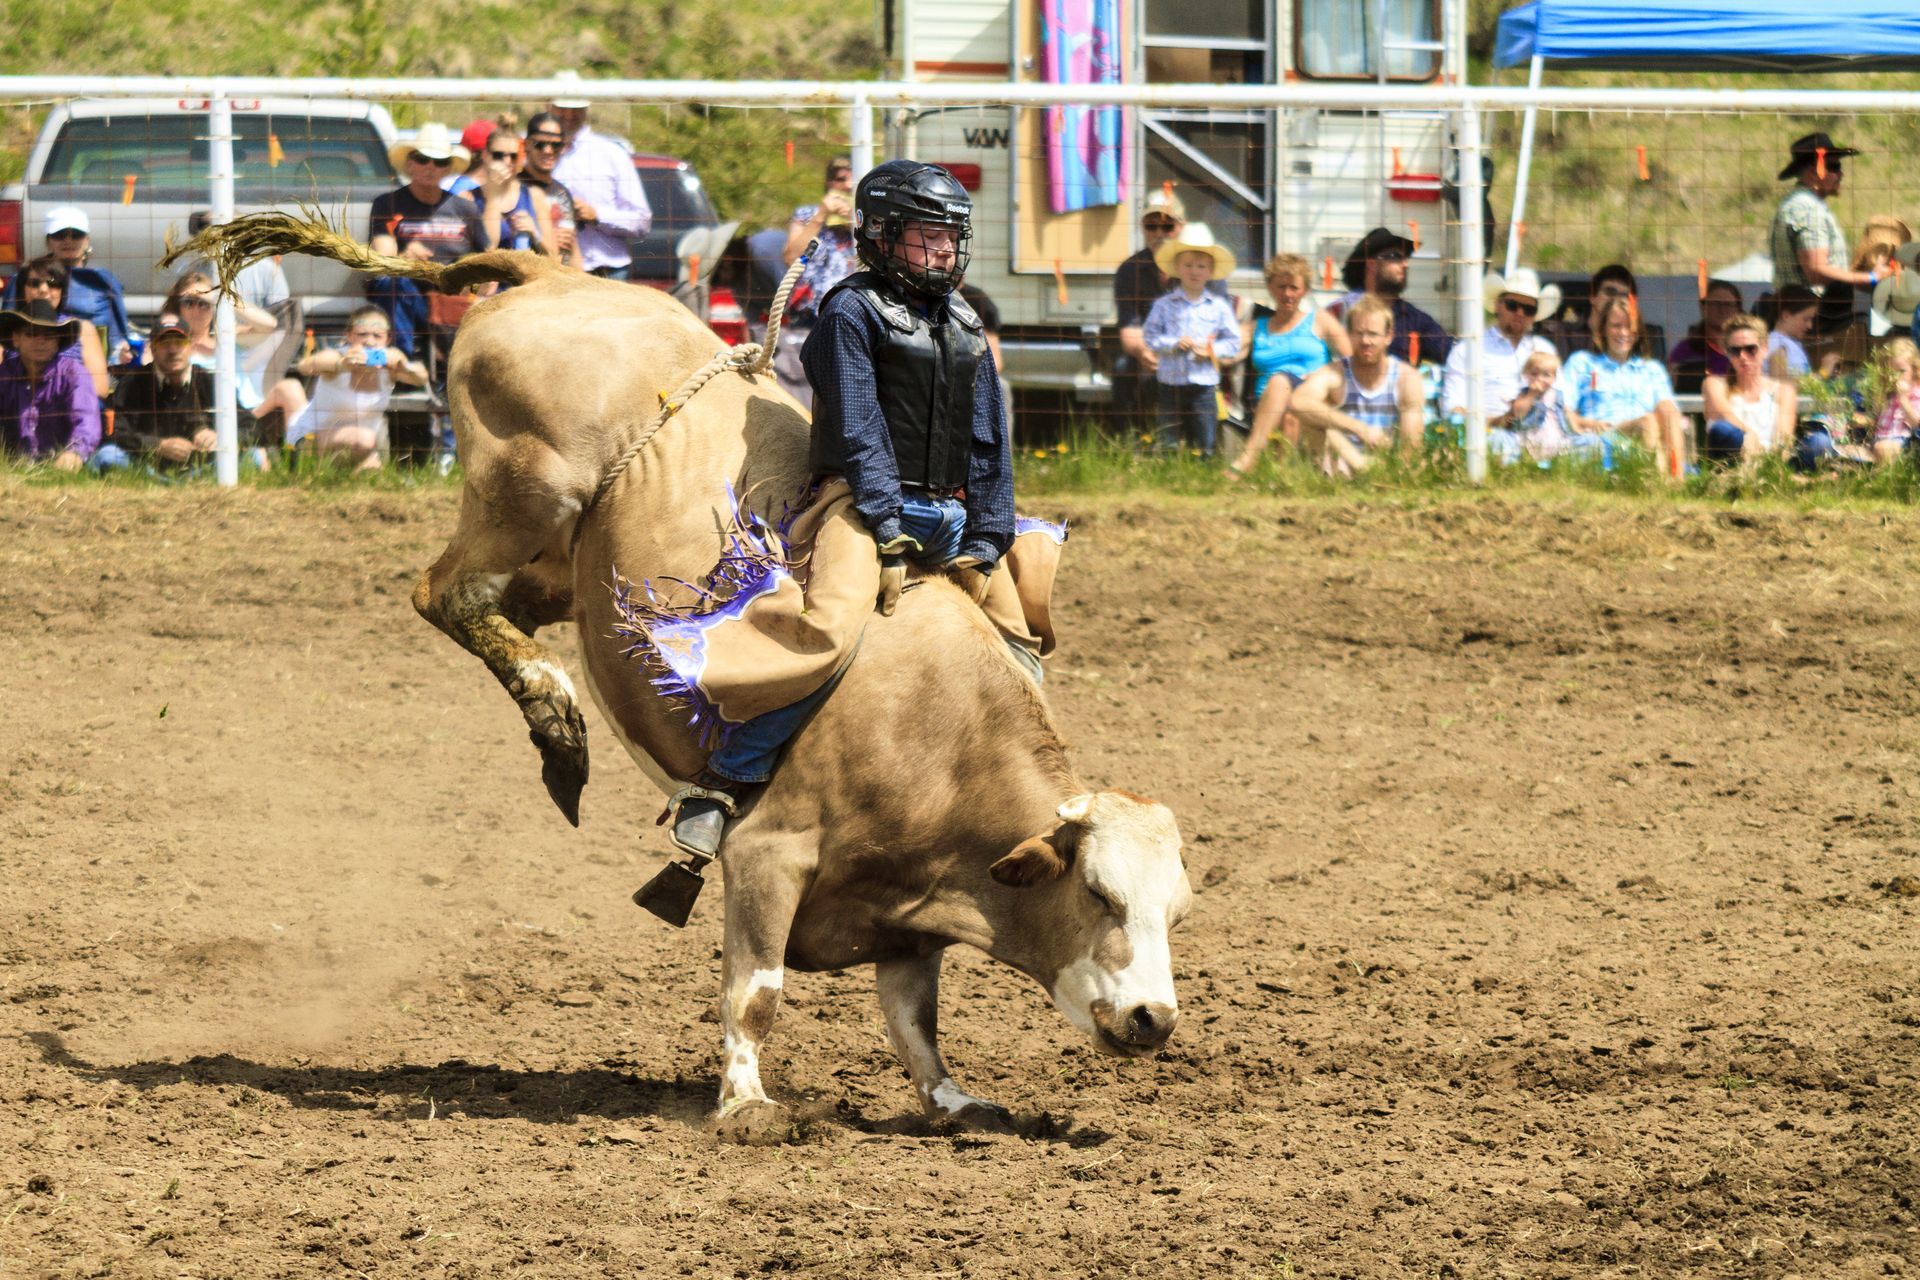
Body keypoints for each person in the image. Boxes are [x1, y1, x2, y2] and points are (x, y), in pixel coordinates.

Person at [665, 160, 1012, 860]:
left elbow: (989, 434)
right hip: (862, 506)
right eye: (928, 235)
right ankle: (723, 782)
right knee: (830, 634)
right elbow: (858, 428)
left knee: (1020, 637)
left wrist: (992, 533)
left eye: (952, 236)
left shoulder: (967, 321)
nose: (945, 250)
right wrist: (885, 527)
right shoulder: (849, 311)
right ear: (881, 236)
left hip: (953, 517)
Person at [366, 123, 488, 360]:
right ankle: (399, 360)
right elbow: (383, 259)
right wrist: (406, 259)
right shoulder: (387, 204)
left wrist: (474, 291)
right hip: (409, 297)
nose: (430, 167)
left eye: (439, 162)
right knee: (391, 282)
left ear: (448, 169)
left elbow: (487, 260)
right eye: (423, 159)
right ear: (409, 164)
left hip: (453, 302)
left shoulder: (466, 209)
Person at [1226, 252, 1351, 475]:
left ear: (1305, 290)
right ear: (1270, 288)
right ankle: (1286, 475)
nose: (1287, 294)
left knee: (1291, 404)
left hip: (1312, 398)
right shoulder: (1257, 327)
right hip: (1267, 405)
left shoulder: (1320, 321)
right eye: (1281, 286)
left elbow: (1350, 358)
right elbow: (1226, 352)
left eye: (1294, 287)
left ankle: (1256, 464)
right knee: (1282, 388)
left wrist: (1321, 375)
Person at [163, 270, 308, 457]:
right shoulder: (167, 344)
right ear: (178, 306)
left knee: (291, 388)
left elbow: (269, 326)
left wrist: (224, 297)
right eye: (189, 302)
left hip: (247, 413)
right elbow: (150, 372)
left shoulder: (228, 335)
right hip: (198, 418)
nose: (196, 310)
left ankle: (304, 462)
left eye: (204, 304)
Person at [1112, 189, 1219, 435]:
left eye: (1167, 225)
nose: (1159, 233)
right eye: (1151, 225)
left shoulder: (1205, 265)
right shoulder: (1129, 270)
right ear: (1142, 227)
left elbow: (1220, 323)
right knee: (1122, 368)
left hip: (1198, 350)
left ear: (1181, 227)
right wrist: (1145, 352)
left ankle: (1202, 448)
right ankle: (1129, 443)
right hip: (1155, 349)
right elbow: (1129, 330)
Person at [1290, 296, 1425, 475]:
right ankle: (1359, 469)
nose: (1365, 341)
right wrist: (1360, 429)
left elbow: (1412, 447)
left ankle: (1365, 471)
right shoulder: (1336, 373)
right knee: (1314, 420)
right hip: (1340, 460)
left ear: (1388, 336)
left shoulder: (1406, 378)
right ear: (1349, 334)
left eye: (1373, 334)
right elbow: (1297, 402)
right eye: (1358, 333)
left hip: (1385, 464)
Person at [285, 305, 430, 470]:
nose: (370, 341)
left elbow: (421, 378)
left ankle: (350, 471)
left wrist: (404, 367)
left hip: (362, 446)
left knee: (372, 471)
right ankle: (309, 467)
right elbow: (305, 365)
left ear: (388, 339)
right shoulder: (339, 356)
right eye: (362, 335)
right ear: (349, 336)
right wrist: (342, 365)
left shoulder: (388, 363)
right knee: (364, 439)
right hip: (312, 440)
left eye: (377, 336)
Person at [1561, 294, 1689, 476]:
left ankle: (1675, 480)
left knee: (1666, 410)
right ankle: (1659, 484)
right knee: (1647, 422)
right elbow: (1564, 409)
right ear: (1604, 329)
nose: (1623, 332)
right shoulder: (1583, 363)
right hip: (1603, 436)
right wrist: (1587, 423)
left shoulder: (1652, 369)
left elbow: (1669, 413)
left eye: (1629, 326)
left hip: (1648, 432)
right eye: (1616, 326)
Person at [1141, 224, 1240, 456]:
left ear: (1210, 270)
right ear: (1177, 268)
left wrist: (1211, 350)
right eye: (1187, 265)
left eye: (1201, 266)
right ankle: (1169, 473)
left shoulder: (1219, 308)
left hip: (1203, 385)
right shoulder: (1164, 305)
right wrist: (1172, 343)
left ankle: (1203, 474)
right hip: (1169, 383)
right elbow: (1150, 336)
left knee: (1205, 438)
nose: (1194, 271)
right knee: (1169, 437)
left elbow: (1233, 342)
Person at [1769, 131, 1876, 344]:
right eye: (1834, 167)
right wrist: (1870, 278)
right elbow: (1816, 271)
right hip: (1815, 320)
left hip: (1804, 314)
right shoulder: (1808, 209)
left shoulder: (1797, 203)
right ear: (1814, 169)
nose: (1841, 174)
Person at [774, 156, 860, 409]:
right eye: (840, 179)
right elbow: (791, 255)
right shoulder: (807, 215)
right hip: (808, 318)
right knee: (803, 387)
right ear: (829, 183)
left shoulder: (867, 218)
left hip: (850, 317)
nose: (846, 185)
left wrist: (855, 223)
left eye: (852, 180)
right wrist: (822, 215)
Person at [548, 73, 652, 280]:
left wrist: (596, 215)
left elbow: (641, 220)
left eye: (575, 109)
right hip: (553, 270)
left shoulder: (612, 154)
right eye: (562, 108)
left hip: (608, 272)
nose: (568, 114)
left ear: (586, 110)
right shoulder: (533, 155)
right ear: (548, 107)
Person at [1, 207, 131, 364]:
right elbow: (5, 330)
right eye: (60, 235)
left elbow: (119, 335)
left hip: (89, 364)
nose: (68, 241)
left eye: (76, 235)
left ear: (87, 239)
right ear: (48, 241)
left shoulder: (102, 280)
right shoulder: (26, 278)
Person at [1440, 266, 1559, 424]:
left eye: (1529, 309)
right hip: (1490, 436)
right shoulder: (1469, 349)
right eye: (1512, 305)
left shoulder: (1546, 349)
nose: (1520, 313)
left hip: (1541, 435)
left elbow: (1561, 403)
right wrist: (1497, 422)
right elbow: (1453, 410)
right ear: (1497, 305)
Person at [0, 298, 103, 470]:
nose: (40, 341)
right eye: (31, 333)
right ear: (16, 338)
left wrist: (75, 453)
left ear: (57, 343)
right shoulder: (3, 376)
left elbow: (86, 422)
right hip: (11, 467)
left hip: (66, 466)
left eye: (48, 336)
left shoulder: (74, 374)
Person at [1332, 227, 1451, 367]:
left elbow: (1452, 353)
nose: (1405, 264)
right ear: (1372, 265)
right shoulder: (1341, 309)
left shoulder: (1413, 317)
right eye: (1395, 257)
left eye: (1406, 258)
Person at [111, 311, 216, 464]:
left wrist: (219, 436)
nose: (173, 350)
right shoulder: (132, 383)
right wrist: (156, 445)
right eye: (165, 343)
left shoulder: (209, 380)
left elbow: (249, 423)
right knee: (109, 457)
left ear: (191, 346)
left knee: (254, 456)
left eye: (180, 342)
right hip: (145, 466)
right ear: (152, 349)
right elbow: (114, 431)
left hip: (204, 465)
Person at [1701, 312, 1798, 468]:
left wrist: (1767, 461)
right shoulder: (1715, 384)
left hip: (1769, 463)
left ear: (1765, 349)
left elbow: (1783, 438)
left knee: (1817, 443)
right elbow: (1724, 414)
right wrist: (1748, 434)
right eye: (1735, 350)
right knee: (1722, 429)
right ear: (1727, 352)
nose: (1743, 356)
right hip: (1730, 461)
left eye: (1751, 349)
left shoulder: (1784, 390)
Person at [10, 256, 110, 397]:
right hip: (18, 409)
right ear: (22, 290)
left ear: (62, 290)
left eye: (53, 283)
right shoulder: (8, 326)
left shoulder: (83, 328)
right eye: (34, 283)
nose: (43, 290)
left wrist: (53, 394)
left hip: (69, 409)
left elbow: (100, 388)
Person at [474, 128, 561, 262]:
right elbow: (487, 248)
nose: (507, 162)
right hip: (487, 281)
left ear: (521, 159)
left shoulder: (534, 196)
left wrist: (535, 233)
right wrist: (494, 196)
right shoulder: (469, 197)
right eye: (498, 155)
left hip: (525, 281)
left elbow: (554, 257)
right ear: (485, 156)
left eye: (513, 156)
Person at [518, 112, 580, 268]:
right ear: (527, 145)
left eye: (556, 145)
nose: (548, 150)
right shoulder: (514, 188)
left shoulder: (562, 193)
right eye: (540, 144)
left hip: (559, 282)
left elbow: (570, 250)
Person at [1666, 279, 1743, 395]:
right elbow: (1669, 392)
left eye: (1728, 304)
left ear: (1737, 309)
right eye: (1715, 304)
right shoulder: (1684, 350)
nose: (1722, 310)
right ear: (1703, 308)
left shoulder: (1748, 349)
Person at [1869, 338, 1920, 465]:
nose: (1894, 376)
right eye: (1890, 371)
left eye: (1901, 371)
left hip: (1904, 440)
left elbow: (1915, 423)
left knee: (1882, 449)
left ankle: (1883, 476)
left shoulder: (1916, 393)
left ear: (1914, 369)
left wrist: (1903, 399)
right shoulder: (1888, 392)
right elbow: (1876, 414)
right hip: (1879, 437)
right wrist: (1878, 396)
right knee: (1878, 448)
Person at [1761, 285, 1820, 378]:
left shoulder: (1788, 344)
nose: (1810, 326)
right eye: (1806, 319)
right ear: (1786, 316)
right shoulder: (1778, 345)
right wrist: (1824, 373)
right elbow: (1780, 384)